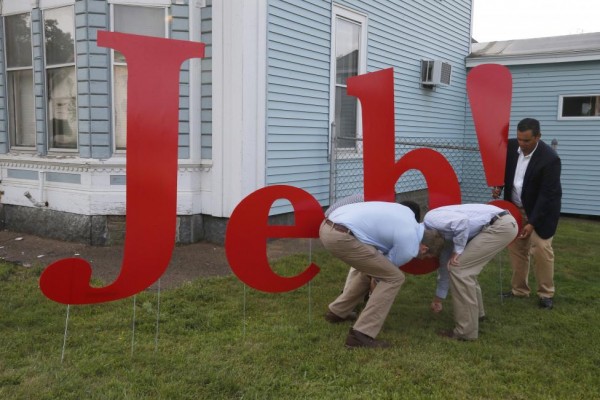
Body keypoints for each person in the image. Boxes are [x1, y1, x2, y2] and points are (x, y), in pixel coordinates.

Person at [320, 201, 444, 349]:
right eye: (426, 257)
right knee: (395, 278)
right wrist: (375, 285)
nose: (423, 259)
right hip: (341, 237)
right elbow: (382, 277)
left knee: (376, 269)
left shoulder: (408, 215)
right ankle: (361, 335)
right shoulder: (410, 245)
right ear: (424, 249)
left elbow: (378, 268)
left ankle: (337, 312)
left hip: (328, 227)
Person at [492, 118, 562, 309]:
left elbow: (547, 195)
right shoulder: (511, 148)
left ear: (538, 137)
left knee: (541, 249)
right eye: (519, 139)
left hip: (542, 210)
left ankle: (546, 294)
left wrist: (531, 223)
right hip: (514, 207)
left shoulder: (550, 159)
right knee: (517, 249)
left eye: (527, 141)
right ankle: (519, 290)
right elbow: (504, 171)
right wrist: (498, 185)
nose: (521, 144)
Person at [424, 204, 518, 340]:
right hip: (502, 224)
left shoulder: (431, 219)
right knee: (460, 267)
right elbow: (445, 268)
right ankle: (478, 314)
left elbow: (462, 222)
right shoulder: (442, 236)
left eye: (425, 253)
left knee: (459, 268)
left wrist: (458, 251)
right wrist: (438, 299)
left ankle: (465, 332)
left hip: (499, 225)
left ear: (425, 244)